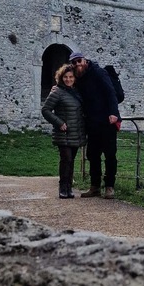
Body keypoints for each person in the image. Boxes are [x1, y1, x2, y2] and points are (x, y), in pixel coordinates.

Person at [68, 52, 120, 199]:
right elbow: (66, 82)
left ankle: (109, 186)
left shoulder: (98, 72)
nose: (78, 64)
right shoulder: (78, 76)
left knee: (110, 154)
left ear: (85, 60)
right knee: (92, 154)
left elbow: (111, 93)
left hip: (107, 120)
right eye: (75, 62)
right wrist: (56, 89)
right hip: (92, 122)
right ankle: (95, 186)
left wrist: (113, 113)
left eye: (79, 61)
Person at [41, 63, 87, 199]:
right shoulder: (57, 92)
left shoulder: (77, 93)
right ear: (61, 78)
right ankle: (62, 188)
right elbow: (45, 110)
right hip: (64, 132)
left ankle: (69, 188)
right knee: (65, 159)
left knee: (71, 160)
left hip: (75, 133)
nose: (68, 79)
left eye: (71, 77)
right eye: (66, 77)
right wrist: (59, 123)